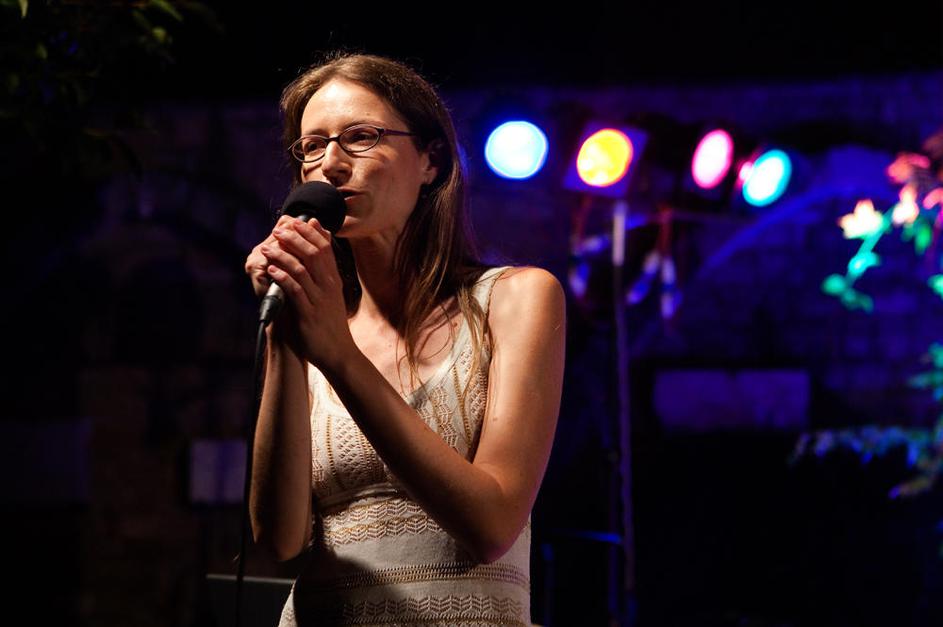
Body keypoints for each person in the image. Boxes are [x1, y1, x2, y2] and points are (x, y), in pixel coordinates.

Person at [244, 52, 565, 626]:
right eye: (312, 147)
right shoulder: (315, 330)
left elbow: (491, 525)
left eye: (360, 137)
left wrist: (339, 355)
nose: (330, 164)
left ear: (430, 161)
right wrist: (287, 336)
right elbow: (280, 541)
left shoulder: (517, 298)